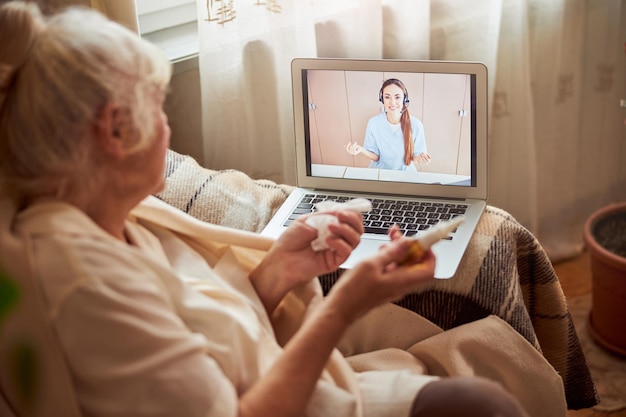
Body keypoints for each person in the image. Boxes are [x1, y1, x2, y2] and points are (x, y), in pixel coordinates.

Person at [0, 2, 559, 417]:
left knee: (484, 398)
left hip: (277, 375)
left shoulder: (110, 218)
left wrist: (279, 269)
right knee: (486, 405)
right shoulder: (88, 288)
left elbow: (205, 328)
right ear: (115, 131)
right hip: (278, 399)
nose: (168, 129)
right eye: (158, 107)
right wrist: (345, 305)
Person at [345, 78, 431, 171]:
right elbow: (376, 157)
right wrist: (361, 150)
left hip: (405, 175)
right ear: (382, 99)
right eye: (387, 97)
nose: (392, 102)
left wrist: (421, 159)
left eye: (397, 97)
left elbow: (415, 156)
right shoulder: (374, 123)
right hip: (379, 174)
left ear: (404, 99)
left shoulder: (416, 125)